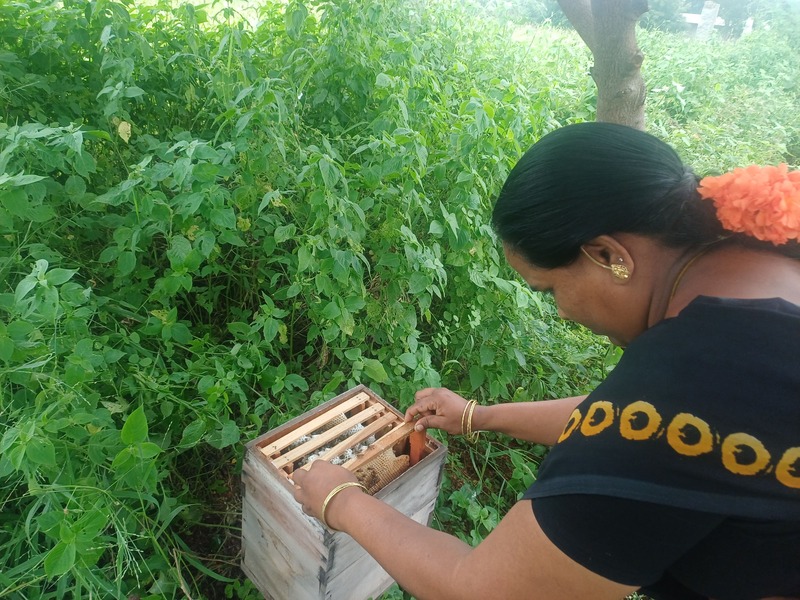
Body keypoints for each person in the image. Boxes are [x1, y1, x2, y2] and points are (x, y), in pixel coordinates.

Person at [292, 122, 800, 600]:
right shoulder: (760, 268)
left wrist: (343, 500)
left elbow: (483, 588)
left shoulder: (691, 377)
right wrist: (479, 417)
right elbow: (642, 425)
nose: (560, 310)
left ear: (608, 255)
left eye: (550, 288)